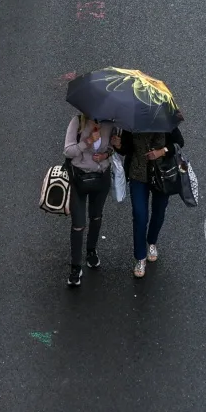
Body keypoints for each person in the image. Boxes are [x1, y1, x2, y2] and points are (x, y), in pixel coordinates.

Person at [121, 123, 184, 277]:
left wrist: (162, 152)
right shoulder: (131, 122)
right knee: (139, 215)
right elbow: (126, 149)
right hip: (138, 174)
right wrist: (118, 145)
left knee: (159, 212)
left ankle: (152, 241)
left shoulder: (164, 120)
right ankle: (140, 258)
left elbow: (179, 142)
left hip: (161, 174)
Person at [63, 113, 119, 287]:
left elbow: (112, 148)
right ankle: (75, 266)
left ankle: (91, 251)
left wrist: (106, 154)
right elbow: (68, 151)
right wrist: (87, 142)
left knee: (96, 217)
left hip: (101, 178)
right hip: (78, 179)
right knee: (78, 224)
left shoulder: (110, 124)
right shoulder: (77, 122)